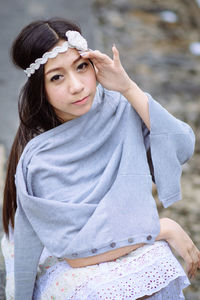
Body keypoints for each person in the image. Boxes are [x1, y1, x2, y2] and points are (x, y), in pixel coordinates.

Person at [1, 17, 200, 300]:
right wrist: (162, 227)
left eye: (81, 67)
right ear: (39, 88)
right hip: (66, 259)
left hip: (122, 235)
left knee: (157, 262)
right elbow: (76, 251)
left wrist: (128, 88)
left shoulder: (119, 109)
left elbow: (182, 147)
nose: (77, 86)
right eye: (57, 77)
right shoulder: (39, 156)